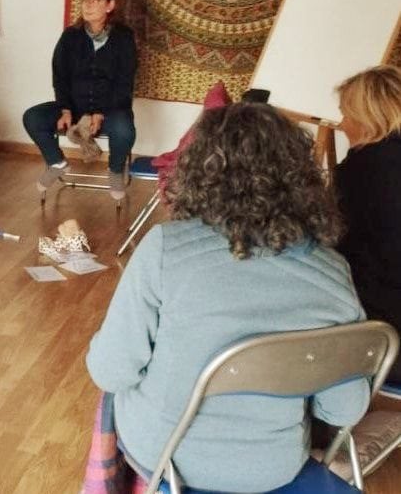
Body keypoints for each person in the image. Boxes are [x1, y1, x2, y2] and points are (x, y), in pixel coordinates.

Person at [85, 102, 368, 492]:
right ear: (301, 178)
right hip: (274, 468)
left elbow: (112, 370)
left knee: (112, 392)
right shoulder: (334, 273)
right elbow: (345, 408)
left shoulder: (166, 249)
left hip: (167, 460)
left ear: (198, 171)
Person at [22, 0, 136, 199]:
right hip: (73, 108)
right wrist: (65, 109)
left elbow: (125, 82)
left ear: (110, 5)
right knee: (33, 117)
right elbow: (60, 76)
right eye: (85, 0)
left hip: (111, 110)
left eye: (95, 0)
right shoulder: (70, 36)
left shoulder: (124, 37)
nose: (87, 5)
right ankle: (57, 163)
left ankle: (115, 170)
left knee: (125, 130)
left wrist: (100, 113)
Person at [335, 65, 401, 385]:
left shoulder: (361, 170)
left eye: (346, 114)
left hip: (385, 331)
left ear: (366, 116)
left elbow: (341, 252)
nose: (341, 124)